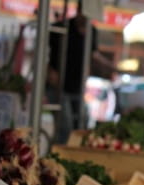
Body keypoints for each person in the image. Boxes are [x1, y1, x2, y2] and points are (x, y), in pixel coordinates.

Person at [47, 0, 115, 143]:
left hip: (78, 85)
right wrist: (50, 71)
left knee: (81, 123)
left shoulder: (92, 31)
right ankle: (59, 155)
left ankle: (73, 153)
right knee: (64, 126)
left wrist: (111, 67)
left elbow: (93, 54)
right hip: (59, 85)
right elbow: (45, 51)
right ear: (79, 10)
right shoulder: (62, 28)